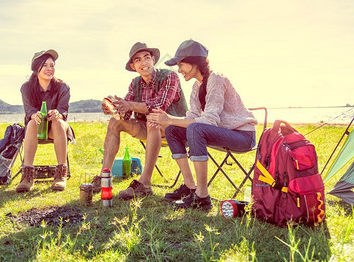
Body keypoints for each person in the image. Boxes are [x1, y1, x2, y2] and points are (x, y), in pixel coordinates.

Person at [147, 39, 257, 210]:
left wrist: (169, 118)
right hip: (221, 133)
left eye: (181, 64)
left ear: (194, 62)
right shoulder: (197, 87)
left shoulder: (217, 79)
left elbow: (209, 121)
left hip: (242, 136)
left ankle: (203, 196)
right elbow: (192, 116)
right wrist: (168, 121)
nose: (179, 69)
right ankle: (190, 187)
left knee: (194, 128)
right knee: (173, 130)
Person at [92, 42, 188, 200]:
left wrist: (128, 104)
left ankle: (145, 183)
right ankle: (105, 176)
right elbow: (126, 115)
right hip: (149, 129)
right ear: (133, 66)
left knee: (153, 118)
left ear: (153, 59)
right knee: (114, 122)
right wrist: (115, 109)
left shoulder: (169, 76)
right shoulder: (135, 83)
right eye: (138, 60)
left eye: (147, 58)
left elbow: (159, 106)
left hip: (175, 127)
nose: (143, 63)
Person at [16, 49, 75, 193]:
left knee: (58, 122)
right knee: (31, 122)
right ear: (36, 68)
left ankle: (61, 174)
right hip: (35, 130)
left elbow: (63, 111)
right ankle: (27, 175)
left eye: (52, 65)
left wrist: (57, 114)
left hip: (57, 130)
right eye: (45, 65)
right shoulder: (26, 88)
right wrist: (34, 115)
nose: (50, 69)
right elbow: (28, 110)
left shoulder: (63, 87)